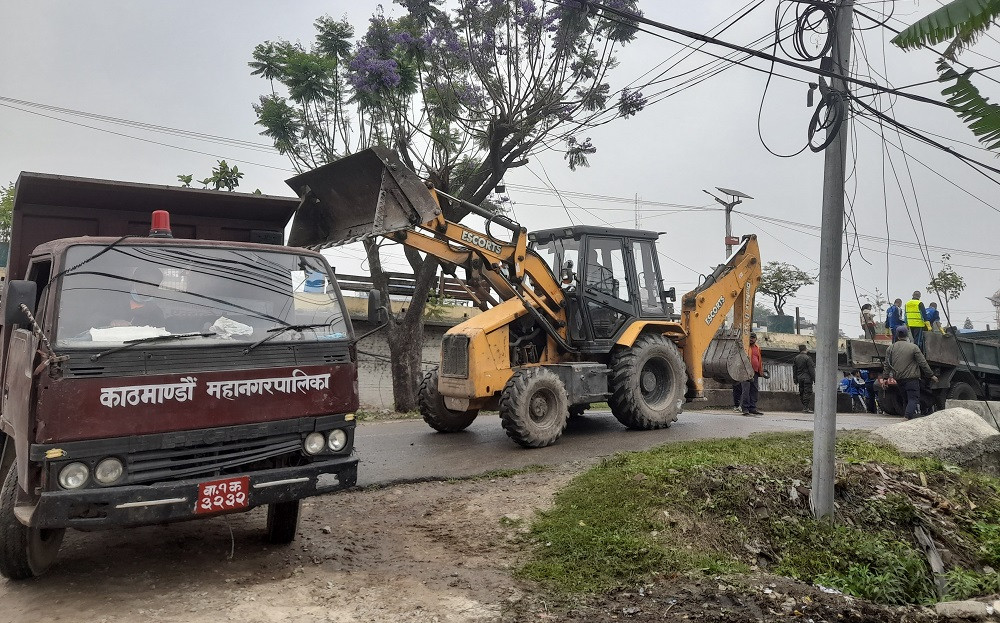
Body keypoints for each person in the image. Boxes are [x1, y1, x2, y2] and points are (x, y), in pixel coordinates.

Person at [885, 326, 938, 419]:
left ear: (897, 335)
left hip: (899, 379)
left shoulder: (890, 348)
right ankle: (907, 417)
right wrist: (931, 375)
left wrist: (885, 378)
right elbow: (923, 363)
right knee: (913, 399)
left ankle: (907, 418)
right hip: (911, 379)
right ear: (907, 335)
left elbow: (887, 364)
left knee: (905, 399)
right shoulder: (913, 347)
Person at [740, 332, 765, 416]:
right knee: (746, 390)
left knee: (754, 390)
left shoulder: (758, 348)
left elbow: (759, 359)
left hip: (755, 372)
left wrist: (760, 370)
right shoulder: (745, 347)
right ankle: (745, 408)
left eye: (753, 338)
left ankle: (752, 408)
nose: (751, 339)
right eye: (750, 337)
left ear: (756, 339)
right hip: (746, 372)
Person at [792, 344, 815, 413]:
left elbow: (794, 369)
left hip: (800, 378)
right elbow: (811, 370)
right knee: (807, 392)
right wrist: (814, 379)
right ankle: (806, 407)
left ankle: (804, 407)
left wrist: (795, 379)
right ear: (805, 349)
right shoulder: (808, 358)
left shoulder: (796, 358)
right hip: (807, 378)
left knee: (802, 392)